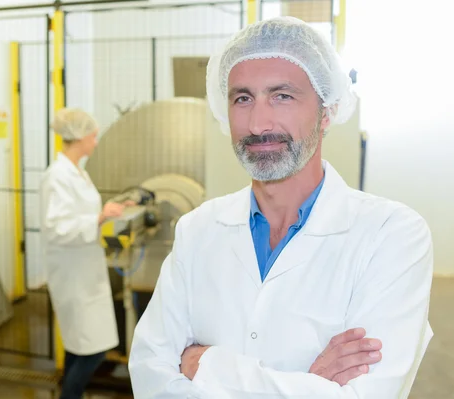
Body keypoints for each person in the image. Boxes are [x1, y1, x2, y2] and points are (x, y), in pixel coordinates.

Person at [128, 17, 433, 398]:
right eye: (242, 98)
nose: (258, 123)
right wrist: (309, 381)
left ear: (326, 112)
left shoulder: (392, 235)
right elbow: (149, 375)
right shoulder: (197, 230)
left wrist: (204, 364)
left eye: (282, 95)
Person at [40, 108, 130, 399]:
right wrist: (99, 218)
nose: (96, 141)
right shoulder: (57, 177)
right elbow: (57, 228)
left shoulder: (79, 172)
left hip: (84, 270)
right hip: (72, 275)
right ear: (79, 137)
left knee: (80, 347)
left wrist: (108, 211)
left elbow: (84, 213)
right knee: (92, 350)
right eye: (93, 136)